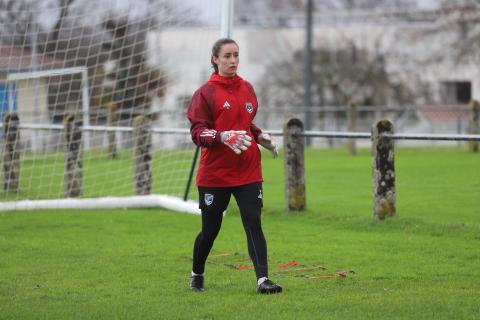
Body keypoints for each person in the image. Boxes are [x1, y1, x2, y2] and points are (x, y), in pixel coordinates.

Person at [186, 38, 282, 294]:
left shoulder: (247, 88)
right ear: (215, 59)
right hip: (215, 174)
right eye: (227, 56)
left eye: (236, 55)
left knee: (253, 222)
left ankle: (263, 280)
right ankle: (197, 273)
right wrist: (222, 136)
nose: (233, 60)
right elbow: (197, 133)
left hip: (248, 170)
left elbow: (246, 123)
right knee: (210, 229)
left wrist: (261, 137)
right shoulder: (205, 93)